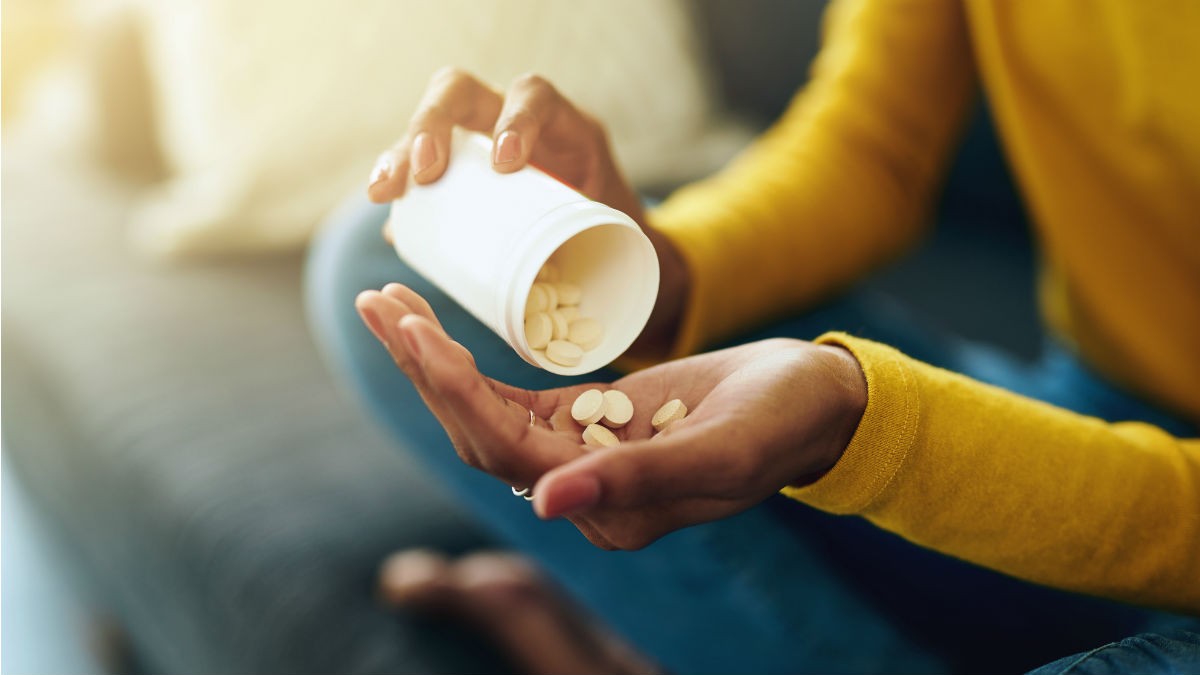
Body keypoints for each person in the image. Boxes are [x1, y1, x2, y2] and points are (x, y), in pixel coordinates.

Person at [306, 0, 1200, 672]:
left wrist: (864, 424)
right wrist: (665, 277)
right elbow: (872, 144)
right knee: (383, 254)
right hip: (1090, 408)